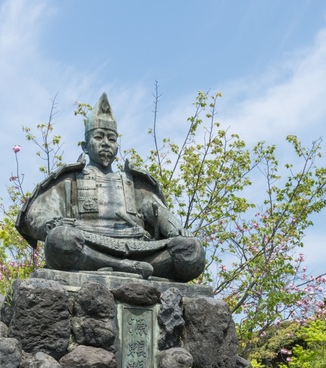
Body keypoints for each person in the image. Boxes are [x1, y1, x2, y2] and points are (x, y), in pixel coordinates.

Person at [16, 93, 205, 282]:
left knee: (191, 249)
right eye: (99, 137)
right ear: (85, 146)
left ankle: (123, 266)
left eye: (112, 139)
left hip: (139, 249)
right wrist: (53, 224)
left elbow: (158, 212)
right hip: (88, 244)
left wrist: (175, 228)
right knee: (60, 240)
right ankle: (125, 268)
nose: (106, 143)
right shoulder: (70, 179)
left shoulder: (134, 183)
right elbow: (36, 216)